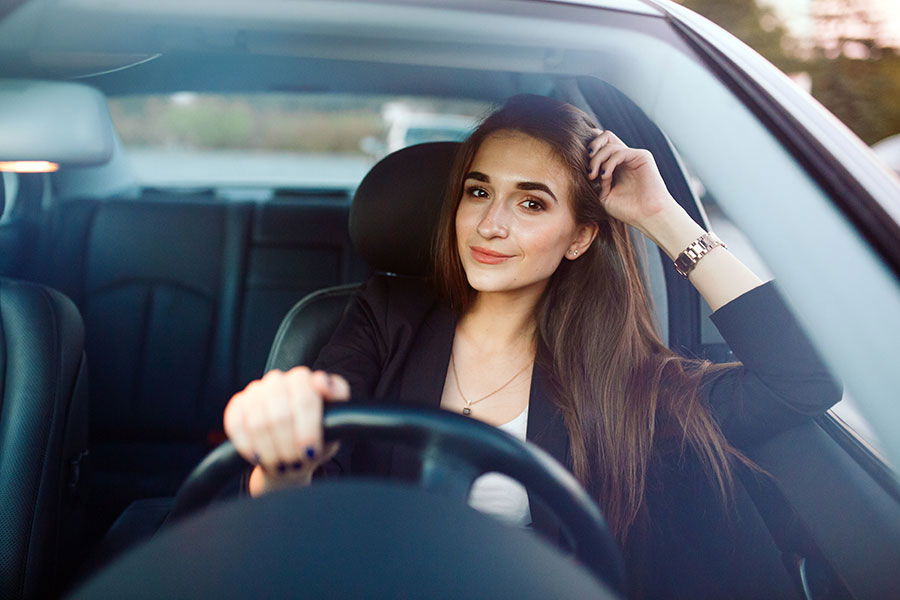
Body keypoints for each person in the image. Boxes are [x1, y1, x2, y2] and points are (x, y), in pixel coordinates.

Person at [223, 94, 842, 598]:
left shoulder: (622, 379)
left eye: (531, 202)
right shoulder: (388, 315)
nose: (492, 224)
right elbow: (299, 503)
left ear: (578, 238)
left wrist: (661, 216)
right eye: (478, 191)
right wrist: (285, 458)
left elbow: (803, 381)